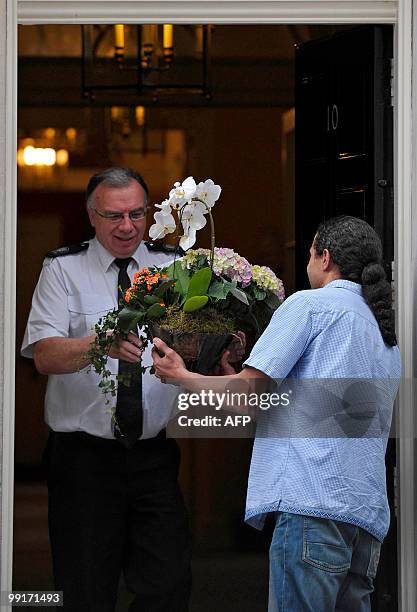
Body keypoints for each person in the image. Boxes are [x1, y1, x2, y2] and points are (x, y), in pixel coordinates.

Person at [152, 215, 401, 612]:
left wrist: (181, 375)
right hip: (363, 517)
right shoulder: (384, 334)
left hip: (312, 506)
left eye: (309, 253)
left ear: (325, 257)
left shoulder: (310, 305)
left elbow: (249, 397)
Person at [21, 167, 192, 612]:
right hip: (83, 459)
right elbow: (44, 355)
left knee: (168, 582)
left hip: (151, 455)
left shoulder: (171, 267)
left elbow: (191, 341)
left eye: (137, 214)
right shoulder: (62, 268)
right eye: (114, 215)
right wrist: (102, 344)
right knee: (85, 590)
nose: (127, 226)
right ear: (91, 216)